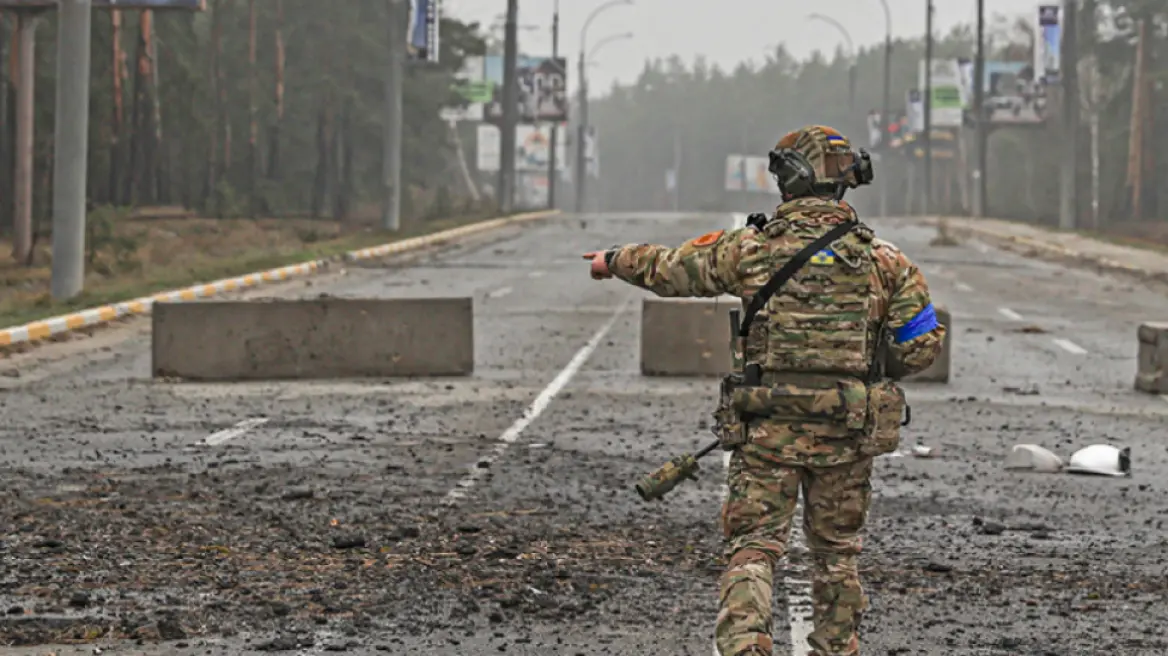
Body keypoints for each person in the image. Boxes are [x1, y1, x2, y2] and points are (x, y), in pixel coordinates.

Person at [582, 125, 946, 656]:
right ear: (846, 183)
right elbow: (921, 348)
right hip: (846, 434)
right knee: (837, 555)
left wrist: (612, 260)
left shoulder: (751, 250)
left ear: (788, 179)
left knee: (753, 548)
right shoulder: (887, 262)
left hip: (765, 431)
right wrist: (860, 365)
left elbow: (671, 270)